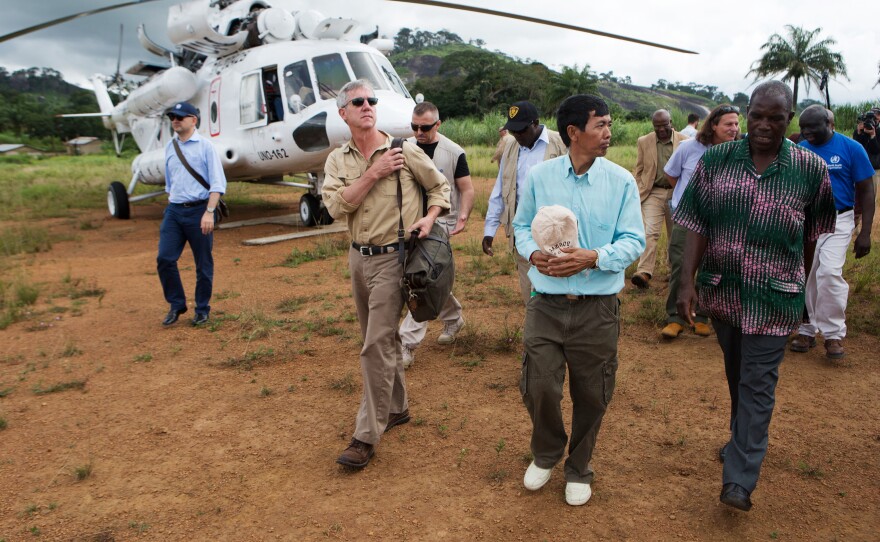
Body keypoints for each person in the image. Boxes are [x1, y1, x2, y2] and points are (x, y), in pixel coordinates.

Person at [674, 81, 836, 512]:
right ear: (747, 114)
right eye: (757, 116)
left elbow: (811, 235)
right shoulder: (717, 161)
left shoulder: (809, 169)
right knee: (736, 375)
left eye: (775, 118)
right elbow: (696, 222)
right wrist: (686, 282)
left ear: (790, 118)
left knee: (758, 383)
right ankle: (740, 437)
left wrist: (799, 286)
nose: (764, 126)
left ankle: (740, 480)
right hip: (723, 291)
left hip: (775, 296)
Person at [512, 94, 645, 506]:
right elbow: (521, 226)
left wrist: (595, 257)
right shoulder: (540, 177)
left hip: (597, 309)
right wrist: (533, 253)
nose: (609, 132)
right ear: (574, 132)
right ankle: (547, 452)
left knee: (592, 392)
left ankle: (579, 467)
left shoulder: (621, 181)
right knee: (540, 386)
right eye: (600, 125)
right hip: (546, 303)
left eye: (609, 124)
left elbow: (634, 240)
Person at [322, 80, 450, 469]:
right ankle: (397, 407)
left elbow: (439, 188)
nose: (367, 105)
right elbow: (334, 208)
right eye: (357, 102)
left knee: (376, 343)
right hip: (358, 259)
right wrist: (374, 173)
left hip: (396, 259)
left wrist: (429, 219)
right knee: (376, 337)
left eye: (371, 100)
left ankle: (366, 434)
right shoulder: (337, 160)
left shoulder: (403, 149)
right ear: (343, 113)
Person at [789, 105, 875, 359]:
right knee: (806, 274)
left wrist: (866, 232)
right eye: (803, 128)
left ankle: (833, 334)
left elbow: (867, 191)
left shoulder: (852, 148)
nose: (806, 132)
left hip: (839, 220)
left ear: (830, 123)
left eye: (812, 127)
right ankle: (806, 328)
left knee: (828, 272)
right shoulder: (801, 151)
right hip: (808, 221)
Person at [399, 102, 475, 368]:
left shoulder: (453, 152)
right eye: (414, 127)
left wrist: (463, 216)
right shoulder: (403, 148)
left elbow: (466, 189)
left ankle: (407, 343)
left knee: (420, 278)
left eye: (425, 127)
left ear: (438, 124)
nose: (419, 132)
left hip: (440, 225)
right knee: (433, 278)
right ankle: (453, 318)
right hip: (407, 225)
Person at [659, 104, 740, 339]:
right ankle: (675, 318)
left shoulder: (737, 151)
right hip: (688, 219)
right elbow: (671, 174)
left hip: (721, 221)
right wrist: (688, 199)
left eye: (736, 124)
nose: (734, 128)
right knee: (681, 265)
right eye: (728, 124)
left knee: (710, 268)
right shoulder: (689, 148)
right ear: (713, 125)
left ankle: (701, 317)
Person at [483, 101, 566, 305]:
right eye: (513, 131)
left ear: (535, 123)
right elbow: (500, 188)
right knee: (528, 284)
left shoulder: (560, 143)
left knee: (556, 283)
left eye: (521, 130)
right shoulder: (511, 146)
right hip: (523, 228)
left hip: (555, 229)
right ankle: (536, 328)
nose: (518, 136)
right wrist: (489, 230)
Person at [157, 101, 227, 327]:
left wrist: (209, 212)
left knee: (203, 264)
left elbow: (217, 184)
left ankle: (202, 308)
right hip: (175, 210)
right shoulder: (170, 146)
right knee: (165, 259)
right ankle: (176, 304)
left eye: (180, 116)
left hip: (200, 210)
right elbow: (170, 182)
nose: (175, 120)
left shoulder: (206, 147)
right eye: (172, 117)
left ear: (193, 120)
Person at [631, 109, 688, 289]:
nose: (661, 129)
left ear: (671, 122)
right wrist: (637, 186)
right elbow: (638, 169)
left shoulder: (685, 141)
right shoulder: (644, 141)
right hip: (653, 192)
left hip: (676, 192)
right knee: (650, 232)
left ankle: (674, 272)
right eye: (657, 126)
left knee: (675, 235)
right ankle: (644, 272)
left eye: (664, 125)